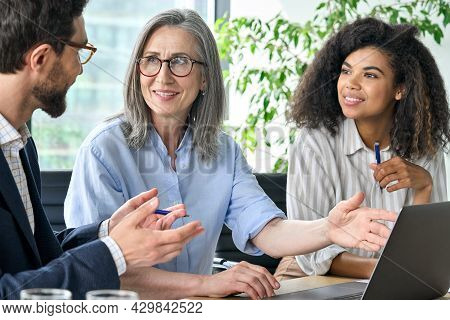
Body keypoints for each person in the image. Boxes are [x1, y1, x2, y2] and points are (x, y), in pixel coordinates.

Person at [64, 9, 397, 300]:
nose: (162, 76)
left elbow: (267, 231)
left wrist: (328, 228)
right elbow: (98, 271)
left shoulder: (223, 150)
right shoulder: (103, 150)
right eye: (151, 60)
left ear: (205, 77)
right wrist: (207, 283)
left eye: (179, 61)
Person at [0, 0, 204, 300]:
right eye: (79, 51)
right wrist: (115, 251)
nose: (80, 69)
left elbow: (37, 258)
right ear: (41, 58)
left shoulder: (19, 146)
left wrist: (107, 231)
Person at [275, 17, 449, 280]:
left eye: (369, 75)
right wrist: (385, 272)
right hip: (310, 273)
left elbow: (424, 251)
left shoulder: (423, 144)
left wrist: (423, 186)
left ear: (399, 89)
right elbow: (311, 256)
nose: (351, 84)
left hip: (392, 278)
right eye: (346, 71)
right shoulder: (315, 142)